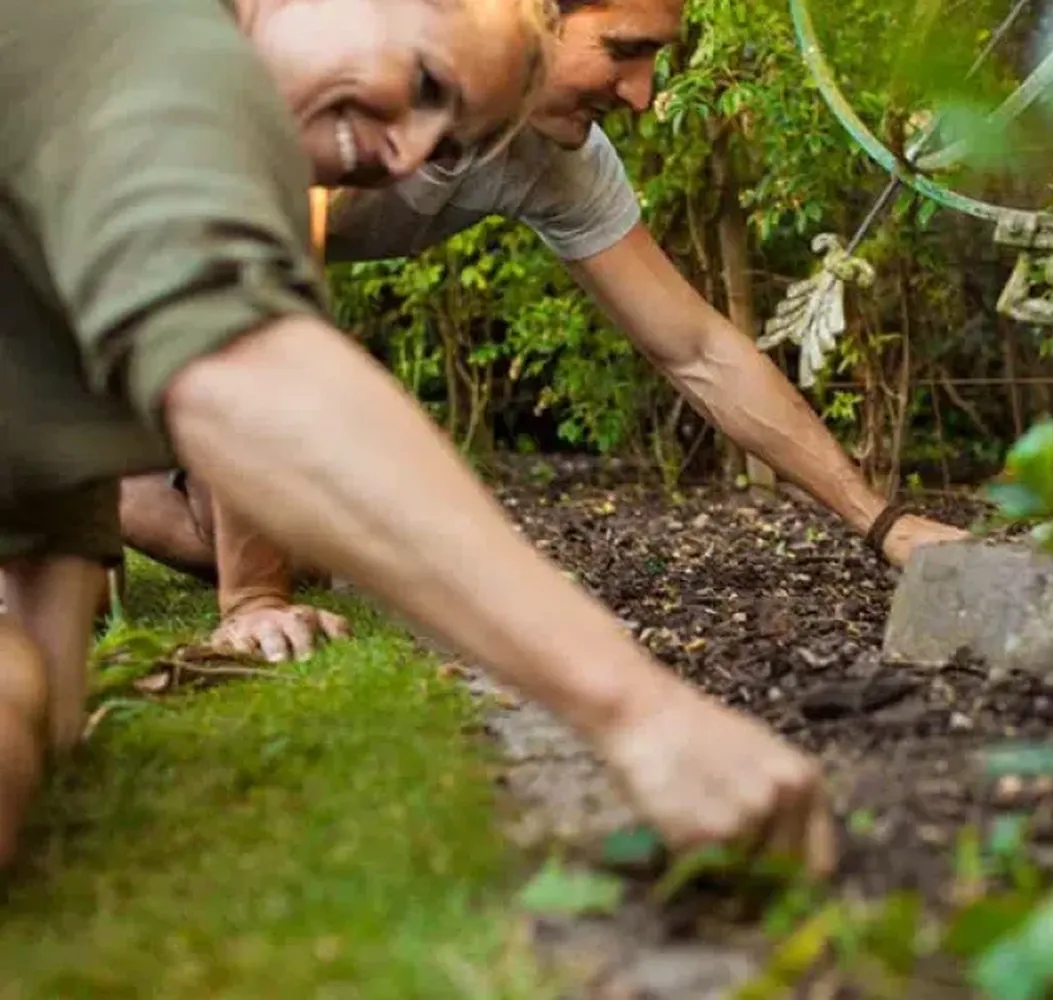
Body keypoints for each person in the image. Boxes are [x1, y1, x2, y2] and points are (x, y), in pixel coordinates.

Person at [0, 0, 836, 877]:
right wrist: (640, 709)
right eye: (426, 83)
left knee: (39, 710)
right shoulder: (158, 41)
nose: (400, 158)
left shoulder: (140, 147)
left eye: (444, 145)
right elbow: (251, 377)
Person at [112, 0, 972, 664]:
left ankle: (103, 480)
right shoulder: (345, 62)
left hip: (180, 313)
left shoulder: (556, 157)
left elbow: (698, 349)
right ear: (530, 14)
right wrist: (252, 603)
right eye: (622, 49)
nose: (640, 96)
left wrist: (882, 523)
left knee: (299, 543)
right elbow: (261, 312)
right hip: (80, 259)